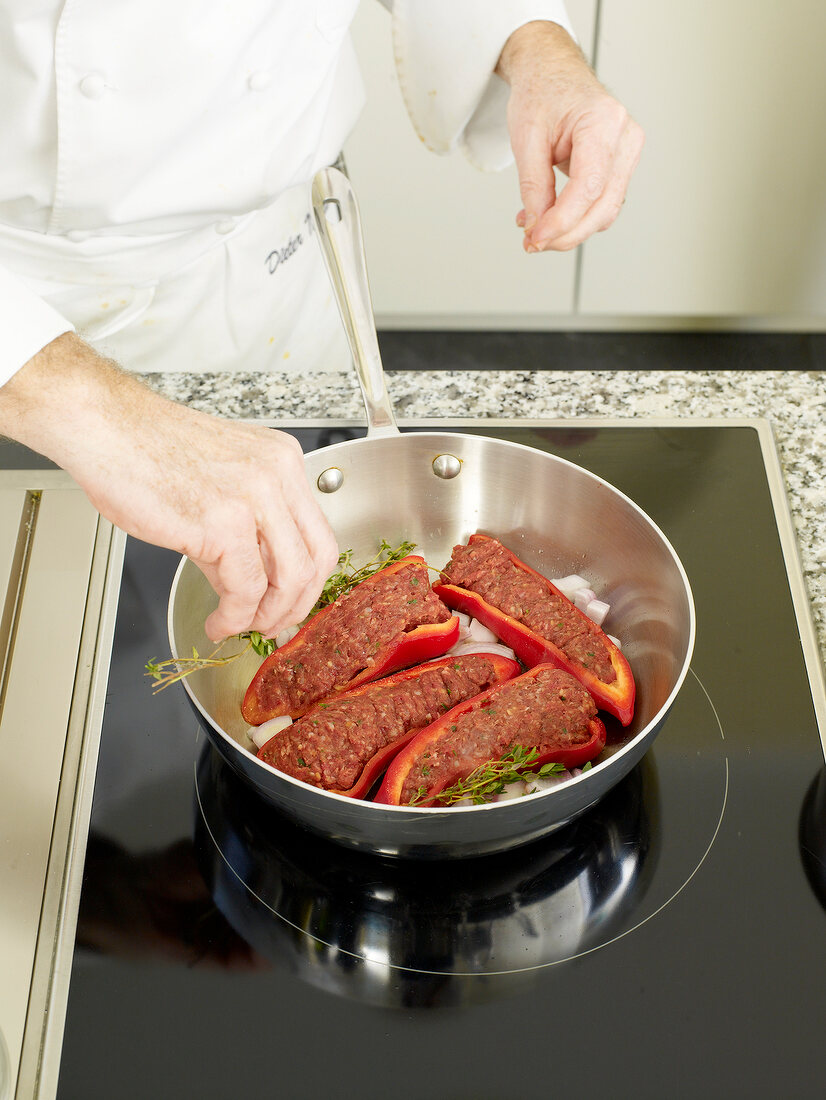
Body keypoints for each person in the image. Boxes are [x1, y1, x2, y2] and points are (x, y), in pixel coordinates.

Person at [0, 3, 643, 643]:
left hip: (288, 250)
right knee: (55, 633)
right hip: (32, 333)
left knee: (298, 559)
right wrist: (94, 412)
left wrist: (533, 43)